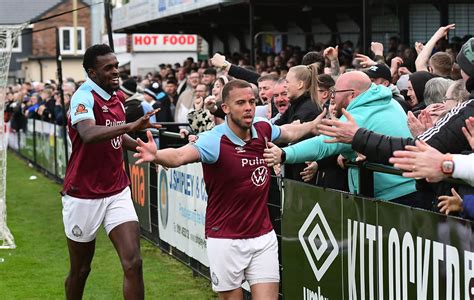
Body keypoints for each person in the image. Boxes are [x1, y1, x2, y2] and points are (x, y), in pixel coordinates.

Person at [133, 79, 325, 299]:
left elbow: (288, 132)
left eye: (252, 102)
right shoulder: (214, 140)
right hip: (225, 239)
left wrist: (312, 126)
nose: (249, 108)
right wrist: (156, 155)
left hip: (263, 236)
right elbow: (179, 156)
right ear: (225, 108)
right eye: (241, 102)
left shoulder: (262, 128)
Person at [61, 44, 159, 300]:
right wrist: (130, 125)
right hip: (83, 194)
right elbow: (88, 133)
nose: (116, 72)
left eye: (117, 66)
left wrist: (141, 146)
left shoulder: (117, 97)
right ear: (92, 73)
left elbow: (117, 134)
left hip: (117, 190)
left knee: (133, 263)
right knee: (81, 270)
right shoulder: (83, 97)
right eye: (109, 68)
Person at [264, 71, 418, 203]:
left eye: (336, 93)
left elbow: (322, 144)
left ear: (352, 95)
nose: (333, 98)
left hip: (392, 198)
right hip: (411, 187)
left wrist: (284, 154)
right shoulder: (390, 102)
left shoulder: (357, 115)